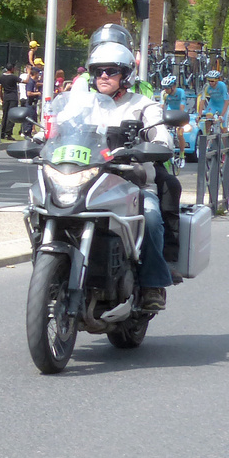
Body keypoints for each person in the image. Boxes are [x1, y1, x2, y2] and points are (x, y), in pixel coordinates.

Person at [78, 24, 173, 311]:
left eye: (111, 71)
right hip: (86, 181)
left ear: (126, 75)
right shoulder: (82, 104)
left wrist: (156, 144)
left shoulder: (143, 105)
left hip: (132, 183)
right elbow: (54, 131)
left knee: (151, 215)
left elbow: (161, 136)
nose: (104, 76)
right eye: (98, 71)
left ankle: (152, 284)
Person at [0, 64, 21, 138]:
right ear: (12, 69)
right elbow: (25, 81)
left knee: (4, 115)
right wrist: (29, 73)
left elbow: (0, 89)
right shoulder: (13, 77)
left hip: (6, 97)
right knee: (11, 115)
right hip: (13, 97)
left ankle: (2, 132)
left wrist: (1, 97)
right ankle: (8, 133)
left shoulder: (2, 77)